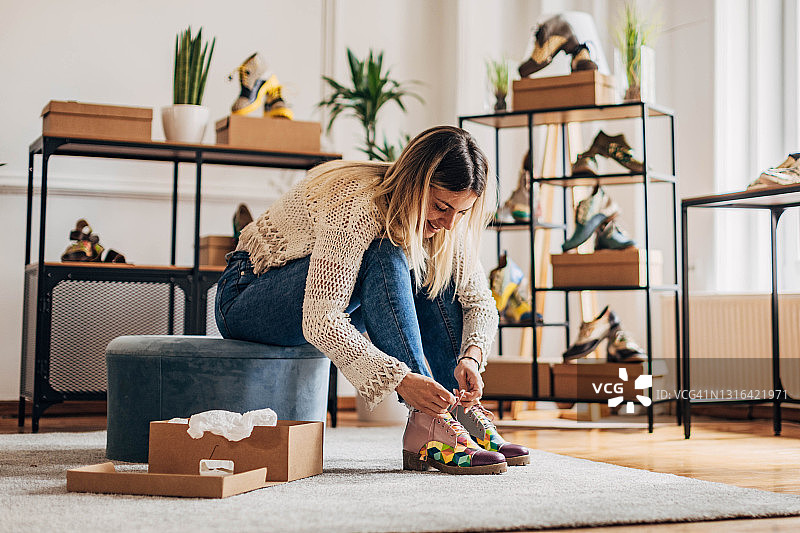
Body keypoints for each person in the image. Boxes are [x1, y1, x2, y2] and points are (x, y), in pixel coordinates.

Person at [215, 125, 529, 474]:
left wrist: (471, 356)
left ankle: (457, 411)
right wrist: (402, 380)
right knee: (387, 253)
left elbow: (479, 302)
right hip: (247, 297)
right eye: (441, 207)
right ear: (416, 182)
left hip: (314, 301)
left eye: (461, 213)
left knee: (432, 269)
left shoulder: (443, 225)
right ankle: (431, 417)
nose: (449, 223)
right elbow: (320, 319)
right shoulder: (355, 204)